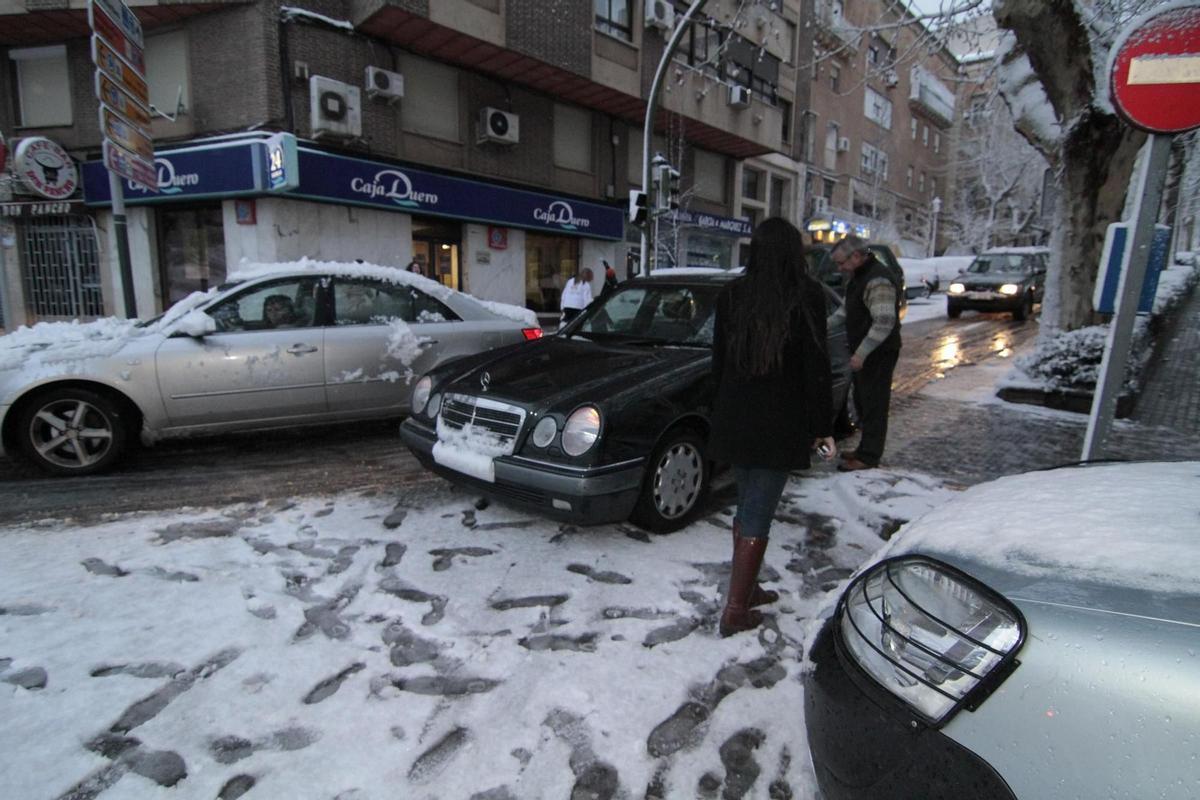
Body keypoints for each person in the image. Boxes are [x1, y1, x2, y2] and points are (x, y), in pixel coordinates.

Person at [708, 217, 836, 637]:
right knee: (759, 510)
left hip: (736, 417)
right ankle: (735, 610)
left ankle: (749, 587)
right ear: (793, 253)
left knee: (748, 503)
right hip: (778, 421)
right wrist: (822, 424)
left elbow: (718, 361)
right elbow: (816, 367)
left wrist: (718, 411)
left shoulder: (732, 294)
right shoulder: (806, 296)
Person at [827, 235, 902, 472]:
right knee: (862, 400)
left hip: (878, 353)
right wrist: (821, 326)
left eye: (842, 263)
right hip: (866, 351)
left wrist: (861, 354)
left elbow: (884, 322)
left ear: (857, 256)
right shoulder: (859, 277)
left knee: (874, 404)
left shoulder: (878, 280)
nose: (840, 268)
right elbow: (845, 311)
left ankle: (869, 456)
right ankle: (864, 449)